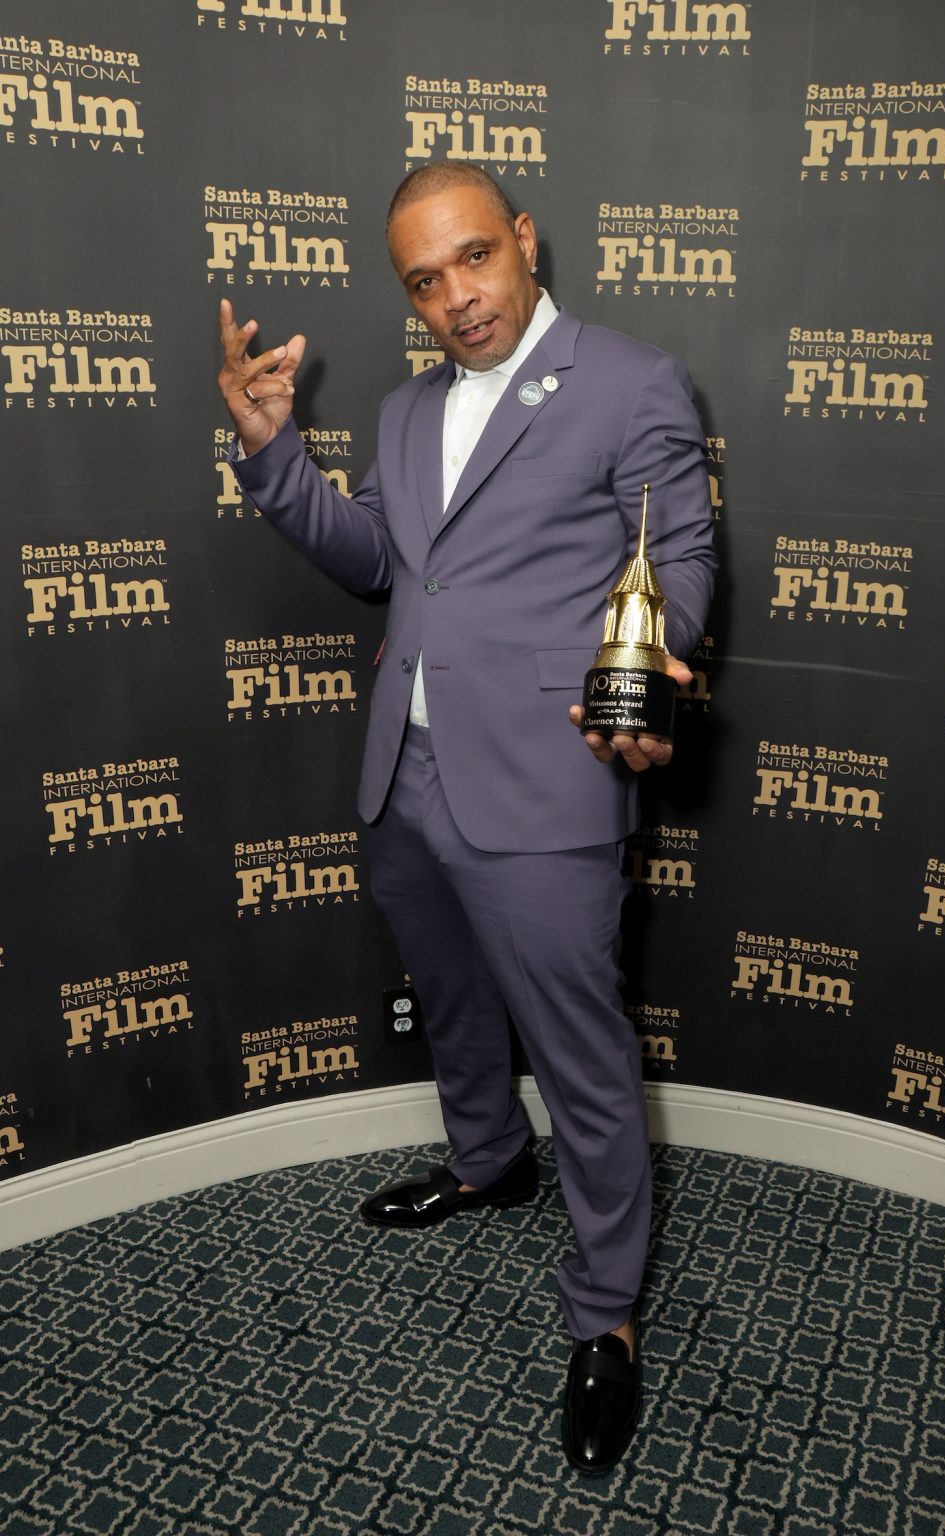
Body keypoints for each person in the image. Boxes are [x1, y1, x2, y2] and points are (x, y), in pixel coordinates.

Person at [218, 161, 716, 1475]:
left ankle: (604, 1310)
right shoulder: (400, 411)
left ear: (526, 242)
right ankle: (490, 1159)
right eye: (425, 280)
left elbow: (676, 561)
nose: (458, 297)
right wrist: (277, 456)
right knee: (449, 995)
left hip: (549, 772)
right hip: (408, 768)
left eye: (476, 259)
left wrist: (652, 667)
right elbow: (381, 560)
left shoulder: (631, 380)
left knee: (584, 1052)